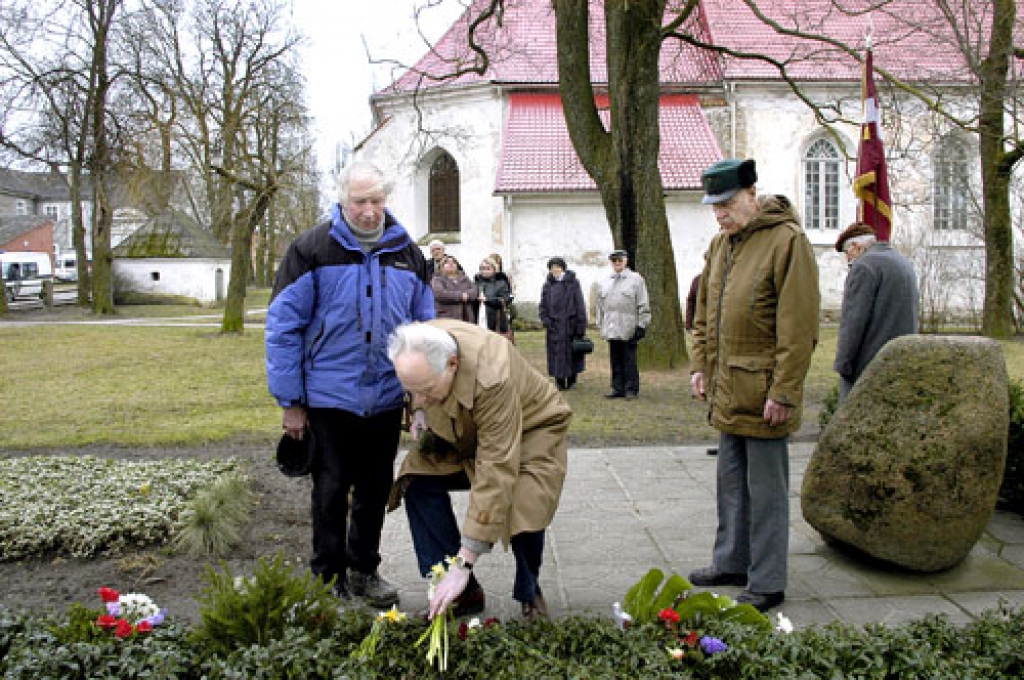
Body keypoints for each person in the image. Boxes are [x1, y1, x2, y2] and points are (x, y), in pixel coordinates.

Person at [265, 161, 435, 608]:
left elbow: (424, 332)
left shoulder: (408, 254)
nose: (369, 210)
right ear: (343, 200)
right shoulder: (312, 249)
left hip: (383, 396)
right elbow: (283, 326)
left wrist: (419, 398)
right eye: (360, 201)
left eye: (377, 200)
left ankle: (364, 570)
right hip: (327, 398)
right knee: (330, 491)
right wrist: (291, 402)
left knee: (375, 491)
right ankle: (327, 579)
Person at [688, 158, 819, 613]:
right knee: (730, 484)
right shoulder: (720, 245)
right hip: (727, 388)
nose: (719, 214)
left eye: (725, 204)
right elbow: (703, 315)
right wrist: (699, 366)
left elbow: (798, 328)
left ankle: (767, 580)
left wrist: (784, 391)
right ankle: (732, 562)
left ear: (751, 194)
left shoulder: (787, 242)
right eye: (713, 207)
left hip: (764, 394)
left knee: (766, 492)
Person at [387, 319, 572, 622]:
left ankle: (529, 591)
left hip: (530, 427)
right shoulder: (417, 347)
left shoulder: (492, 377)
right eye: (412, 391)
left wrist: (466, 561)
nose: (417, 398)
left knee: (525, 498)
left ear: (452, 364)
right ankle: (462, 592)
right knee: (416, 480)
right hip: (463, 426)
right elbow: (417, 391)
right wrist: (419, 411)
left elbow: (496, 468)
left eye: (426, 390)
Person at [834, 222, 919, 402]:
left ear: (856, 247)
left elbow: (852, 323)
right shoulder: (902, 262)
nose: (847, 260)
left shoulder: (864, 267)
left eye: (847, 253)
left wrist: (843, 366)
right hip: (902, 362)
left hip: (867, 368)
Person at [596, 249, 650, 400]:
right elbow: (600, 305)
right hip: (611, 327)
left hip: (628, 327)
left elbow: (643, 303)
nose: (617, 263)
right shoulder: (606, 281)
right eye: (614, 261)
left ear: (626, 261)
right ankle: (617, 388)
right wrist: (601, 324)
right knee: (615, 359)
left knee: (629, 359)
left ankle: (631, 389)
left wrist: (642, 325)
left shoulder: (636, 279)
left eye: (620, 260)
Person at [538, 256, 588, 390]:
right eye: (552, 267)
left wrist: (580, 325)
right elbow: (543, 306)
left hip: (570, 325)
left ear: (563, 268)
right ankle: (559, 381)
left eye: (558, 267)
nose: (555, 270)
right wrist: (546, 321)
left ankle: (572, 380)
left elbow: (580, 305)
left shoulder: (573, 283)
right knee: (556, 354)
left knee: (572, 353)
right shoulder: (547, 285)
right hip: (554, 326)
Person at [432, 255, 478, 322]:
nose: (451, 264)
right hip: (446, 317)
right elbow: (440, 294)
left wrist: (468, 295)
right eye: (447, 262)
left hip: (466, 317)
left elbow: (474, 291)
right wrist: (460, 296)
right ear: (441, 266)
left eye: (453, 262)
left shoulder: (464, 278)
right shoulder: (437, 279)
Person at [474, 257, 513, 336]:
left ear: (494, 269)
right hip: (478, 318)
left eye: (487, 268)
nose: (484, 271)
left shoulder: (501, 283)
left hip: (496, 319)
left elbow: (506, 299)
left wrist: (488, 300)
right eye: (482, 268)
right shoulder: (476, 283)